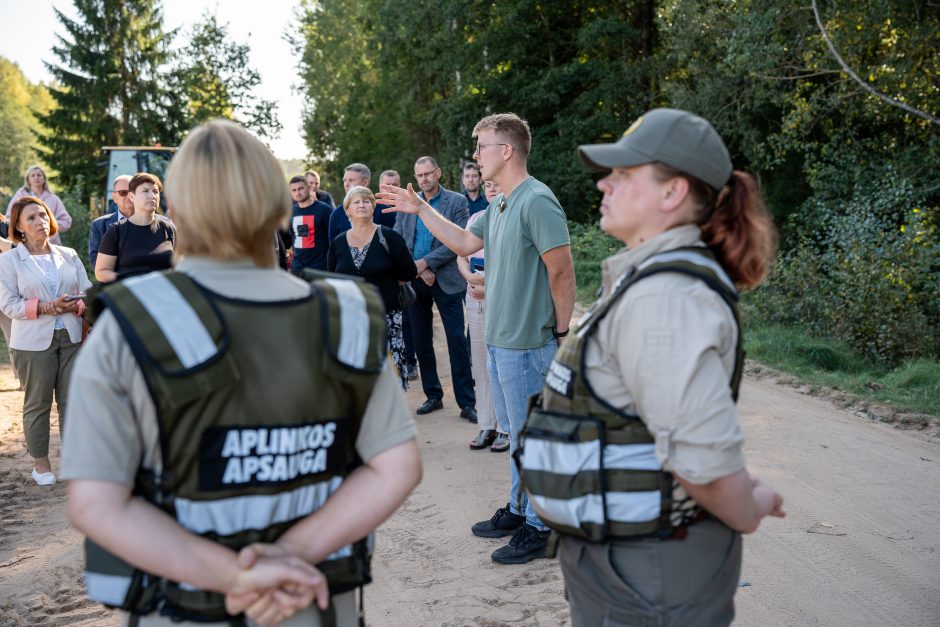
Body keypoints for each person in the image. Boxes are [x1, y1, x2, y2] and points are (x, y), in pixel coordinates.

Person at [62, 119, 422, 627]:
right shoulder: (346, 314)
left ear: (177, 210)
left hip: (184, 611)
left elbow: (96, 506)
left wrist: (238, 576)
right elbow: (398, 466)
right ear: (280, 208)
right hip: (312, 604)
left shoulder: (126, 324)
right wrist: (292, 553)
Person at [518, 108, 785, 626]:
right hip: (631, 564)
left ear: (672, 193)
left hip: (651, 571)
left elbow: (702, 465)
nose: (604, 184)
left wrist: (750, 504)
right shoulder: (652, 283)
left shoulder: (667, 297)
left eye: (623, 174)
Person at [379, 113, 575, 565]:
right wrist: (421, 209)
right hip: (502, 339)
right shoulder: (501, 203)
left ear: (505, 151)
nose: (475, 156)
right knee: (517, 433)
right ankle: (520, 509)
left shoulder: (537, 200)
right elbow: (466, 244)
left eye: (481, 147)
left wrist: (560, 332)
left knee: (531, 438)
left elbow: (562, 270)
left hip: (529, 340)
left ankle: (541, 529)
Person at [0, 196, 90, 486]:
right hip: (32, 342)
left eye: (42, 215)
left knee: (72, 401)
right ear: (18, 227)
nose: (39, 222)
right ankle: (41, 465)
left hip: (72, 336)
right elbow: (9, 304)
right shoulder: (9, 260)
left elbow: (87, 292)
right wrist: (45, 306)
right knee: (37, 402)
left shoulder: (69, 254)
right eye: (31, 218)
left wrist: (75, 305)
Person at [394, 156, 476, 421]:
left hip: (449, 279)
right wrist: (418, 269)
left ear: (438, 173)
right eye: (420, 175)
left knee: (457, 341)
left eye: (429, 173)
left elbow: (458, 242)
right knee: (421, 340)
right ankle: (433, 395)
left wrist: (426, 263)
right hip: (416, 281)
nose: (424, 179)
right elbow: (399, 239)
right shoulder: (409, 201)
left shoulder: (457, 202)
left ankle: (466, 401)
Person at [328, 186, 418, 389]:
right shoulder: (338, 243)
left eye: (366, 201)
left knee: (388, 377)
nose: (362, 205)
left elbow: (409, 272)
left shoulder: (389, 237)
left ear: (373, 207)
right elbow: (332, 280)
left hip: (386, 317)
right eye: (356, 202)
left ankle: (391, 417)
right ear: (347, 210)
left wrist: (389, 279)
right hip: (352, 319)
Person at [457, 180, 509, 452]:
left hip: (500, 294)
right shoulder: (476, 218)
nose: (490, 188)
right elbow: (461, 254)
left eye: (496, 184)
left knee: (500, 363)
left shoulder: (511, 213)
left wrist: (488, 285)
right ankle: (486, 424)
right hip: (473, 291)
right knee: (479, 362)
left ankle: (504, 428)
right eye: (487, 184)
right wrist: (469, 278)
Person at [95, 172, 175, 282]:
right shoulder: (116, 231)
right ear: (132, 197)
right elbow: (101, 272)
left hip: (163, 295)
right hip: (129, 296)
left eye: (155, 192)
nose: (152, 196)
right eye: (145, 191)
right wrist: (130, 281)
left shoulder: (168, 229)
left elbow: (181, 266)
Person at [5, 165, 72, 245]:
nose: (36, 177)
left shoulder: (53, 199)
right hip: (25, 244)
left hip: (51, 244)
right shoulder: (20, 197)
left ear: (44, 179)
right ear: (28, 180)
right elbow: (9, 218)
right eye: (33, 175)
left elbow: (67, 221)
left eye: (39, 175)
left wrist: (49, 224)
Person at [287, 175, 333, 274]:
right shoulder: (290, 212)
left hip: (320, 268)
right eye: (294, 190)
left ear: (308, 187)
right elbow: (291, 238)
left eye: (300, 188)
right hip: (297, 268)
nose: (297, 193)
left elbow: (334, 238)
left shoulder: (325, 210)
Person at [87, 174, 135, 267]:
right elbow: (95, 260)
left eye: (132, 192)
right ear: (114, 197)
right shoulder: (99, 225)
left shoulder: (157, 223)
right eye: (123, 193)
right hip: (115, 280)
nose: (129, 196)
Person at [327, 163, 372, 243]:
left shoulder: (384, 211)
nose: (346, 184)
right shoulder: (336, 214)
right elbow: (333, 249)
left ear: (365, 182)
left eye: (351, 180)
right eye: (345, 180)